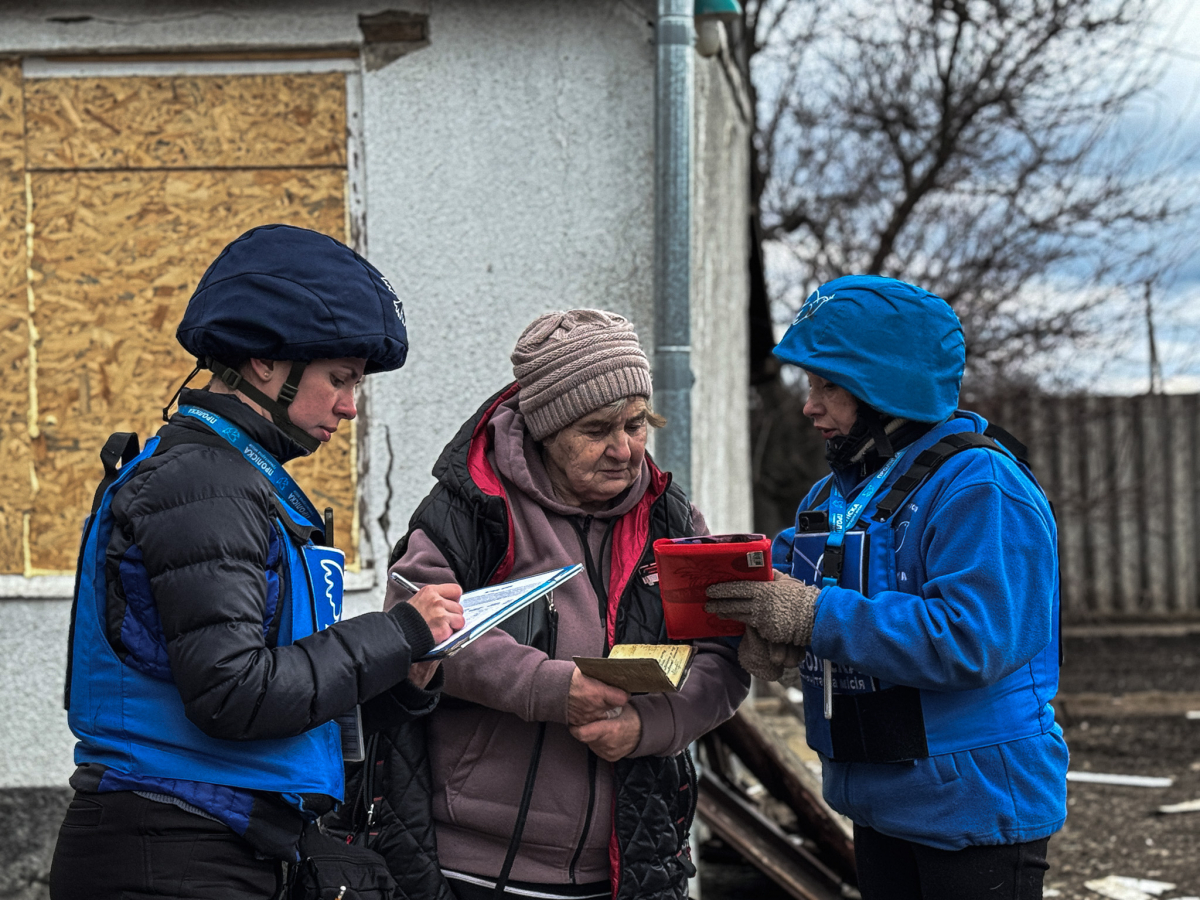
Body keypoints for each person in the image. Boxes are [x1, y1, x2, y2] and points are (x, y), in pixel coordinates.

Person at [50, 224, 466, 900]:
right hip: (170, 854)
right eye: (339, 378)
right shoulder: (202, 484)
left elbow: (282, 688)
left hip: (211, 844)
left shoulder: (237, 480)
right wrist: (395, 632)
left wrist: (402, 672)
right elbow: (231, 693)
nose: (350, 406)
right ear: (264, 362)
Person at [706, 275, 1067, 900]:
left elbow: (972, 639)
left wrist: (809, 618)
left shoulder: (980, 488)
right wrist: (767, 638)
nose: (808, 405)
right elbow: (795, 593)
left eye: (828, 386)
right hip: (878, 798)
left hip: (975, 808)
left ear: (887, 388)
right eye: (810, 385)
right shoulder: (835, 495)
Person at [379, 309, 750, 900]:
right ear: (547, 431)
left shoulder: (670, 519)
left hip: (630, 860)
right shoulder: (473, 508)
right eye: (598, 429)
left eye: (636, 424)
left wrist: (647, 725)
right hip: (473, 861)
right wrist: (551, 687)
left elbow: (721, 658)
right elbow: (416, 627)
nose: (624, 449)